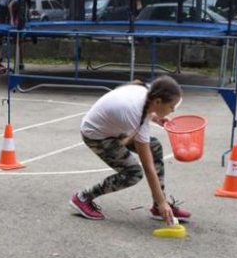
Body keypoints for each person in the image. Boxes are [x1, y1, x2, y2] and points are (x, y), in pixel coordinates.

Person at [69, 77, 191, 225]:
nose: (172, 110)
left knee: (155, 147)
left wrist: (153, 117)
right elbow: (148, 166)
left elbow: (134, 114)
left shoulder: (147, 94)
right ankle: (82, 198)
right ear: (158, 102)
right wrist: (163, 202)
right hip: (97, 136)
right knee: (133, 173)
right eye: (171, 106)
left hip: (114, 130)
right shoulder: (136, 112)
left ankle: (158, 206)